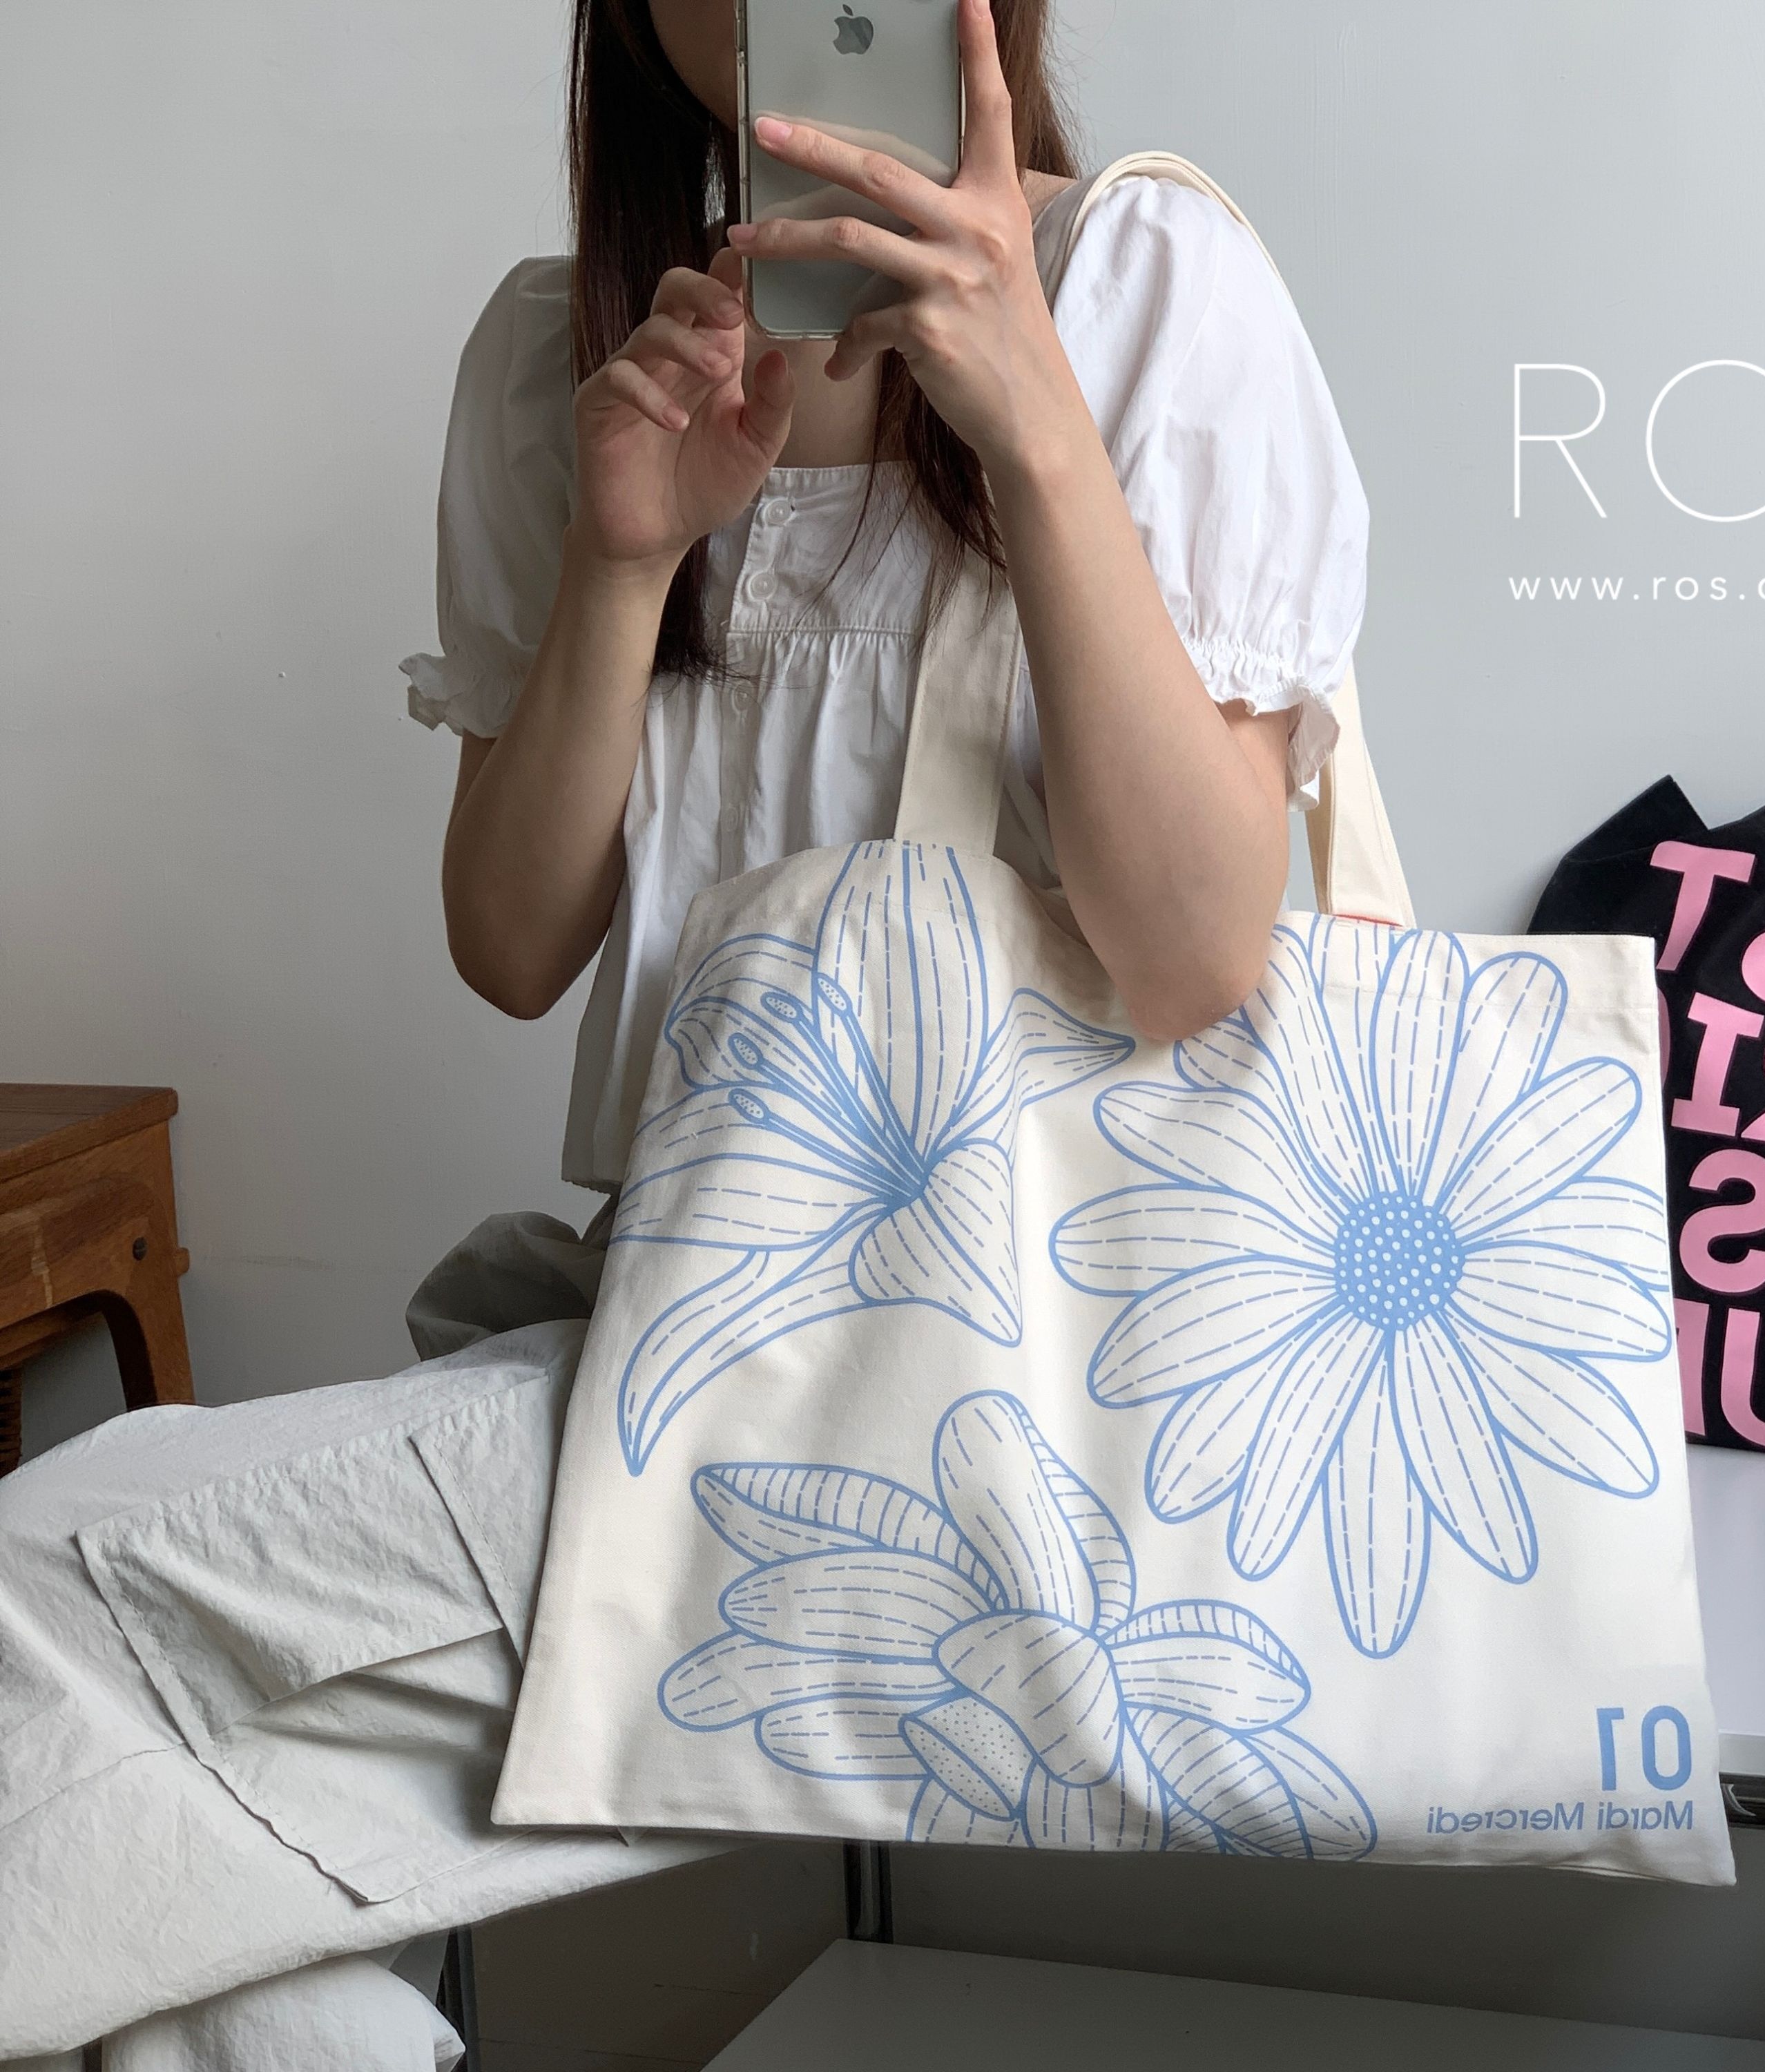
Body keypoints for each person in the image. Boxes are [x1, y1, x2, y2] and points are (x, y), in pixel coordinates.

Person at [0, 1, 1368, 2063]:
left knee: (44, 1586)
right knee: (182, 1948)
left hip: (1064, 1391)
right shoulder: (561, 354)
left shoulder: (1139, 282)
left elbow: (1191, 956)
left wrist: (1030, 418)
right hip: (688, 1339)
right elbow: (511, 941)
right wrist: (626, 556)